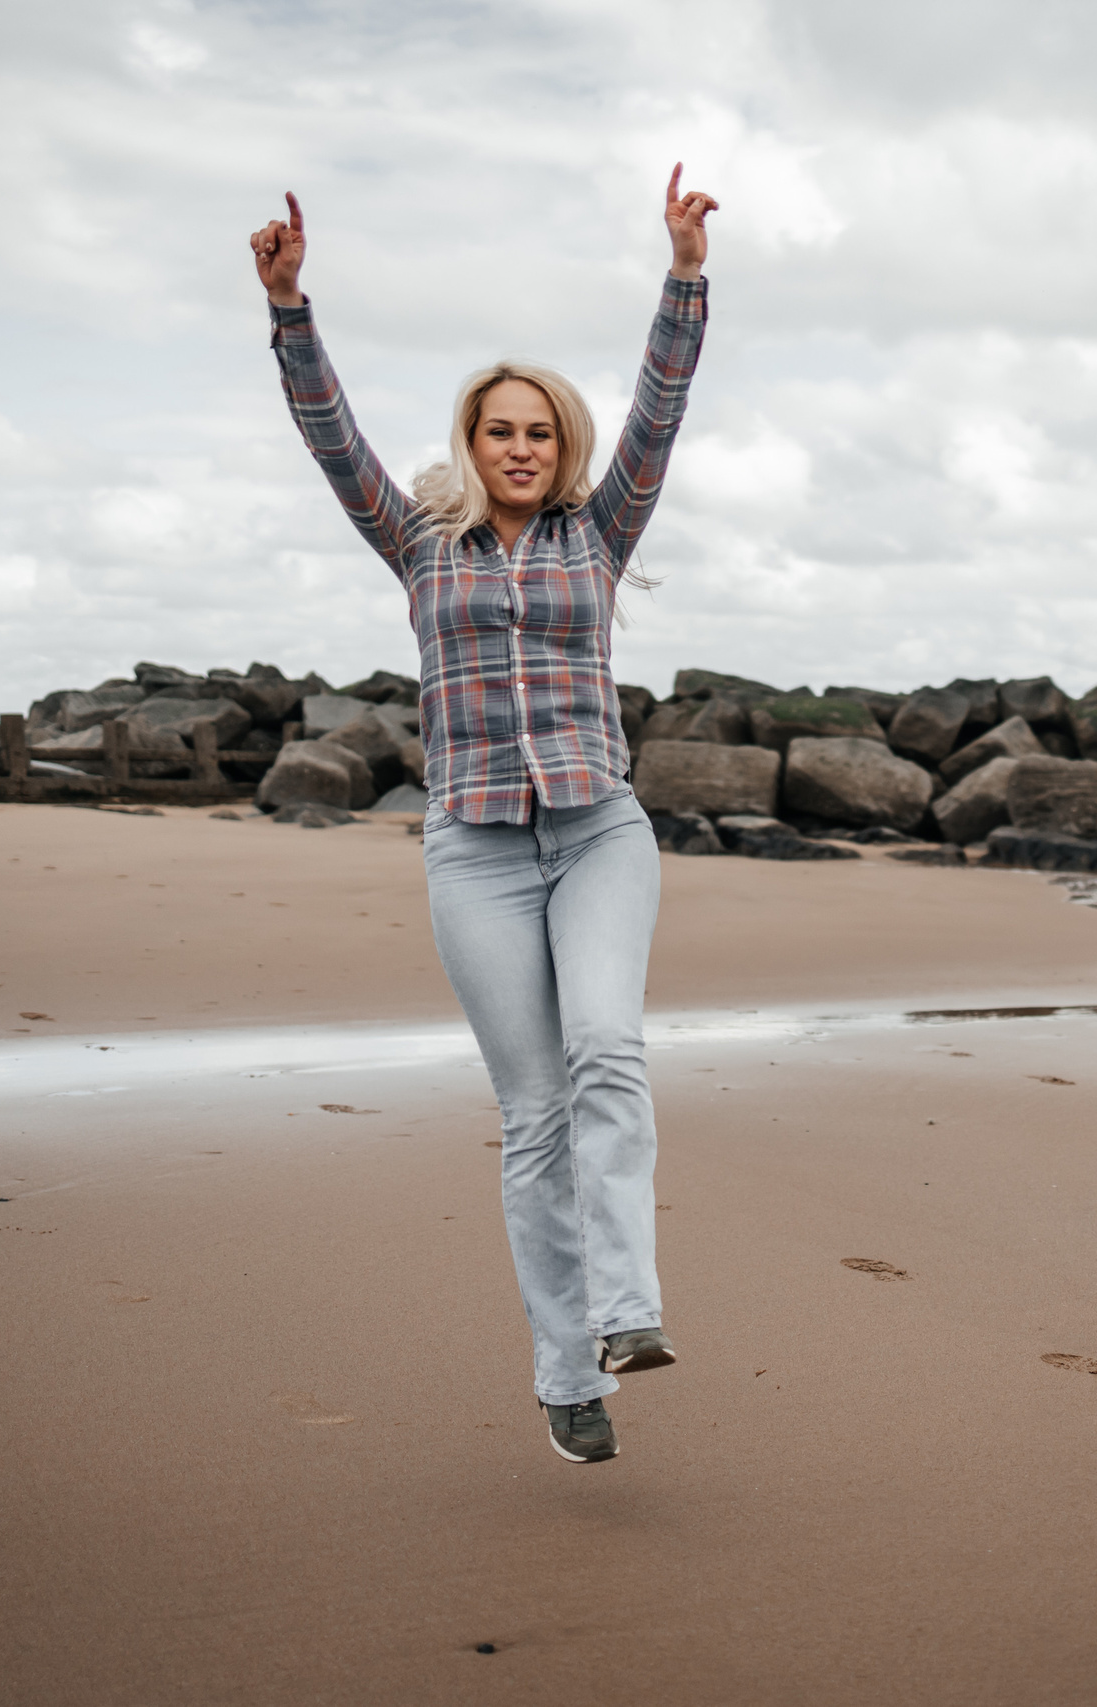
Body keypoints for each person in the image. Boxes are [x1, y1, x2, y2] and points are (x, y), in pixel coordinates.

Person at [249, 166, 718, 1466]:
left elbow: (662, 416)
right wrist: (292, 307)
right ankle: (567, 1375)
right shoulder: (417, 544)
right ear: (475, 441)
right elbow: (330, 434)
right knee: (535, 1114)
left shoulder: (601, 534)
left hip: (597, 831)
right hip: (475, 848)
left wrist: (682, 276)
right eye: (501, 430)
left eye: (541, 431)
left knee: (608, 1050)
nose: (522, 446)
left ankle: (629, 1316)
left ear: (563, 445)